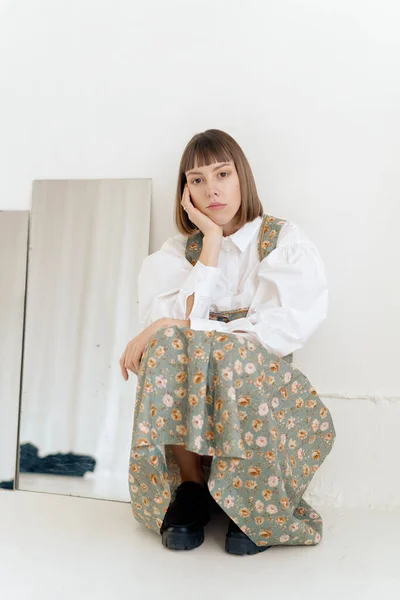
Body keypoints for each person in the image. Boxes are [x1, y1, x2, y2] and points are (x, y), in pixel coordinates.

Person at [120, 128, 336, 555]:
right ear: (186, 192)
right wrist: (211, 244)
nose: (211, 190)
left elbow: (281, 330)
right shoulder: (178, 251)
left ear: (243, 178)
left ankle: (254, 497)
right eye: (197, 180)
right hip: (202, 388)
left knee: (227, 350)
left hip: (262, 387)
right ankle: (192, 487)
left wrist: (175, 327)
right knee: (168, 347)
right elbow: (172, 326)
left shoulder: (281, 240)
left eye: (222, 174)